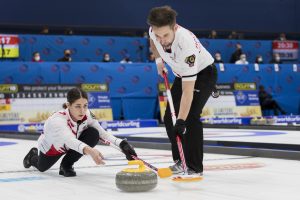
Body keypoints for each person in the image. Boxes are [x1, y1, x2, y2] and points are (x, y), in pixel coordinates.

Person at [147, 6, 217, 176]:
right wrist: (158, 61)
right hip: (181, 73)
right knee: (168, 118)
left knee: (189, 117)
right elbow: (152, 41)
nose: (161, 39)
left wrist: (181, 121)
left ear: (175, 27)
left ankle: (194, 167)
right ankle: (180, 160)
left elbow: (188, 92)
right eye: (158, 35)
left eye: (166, 35)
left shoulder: (186, 47)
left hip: (202, 74)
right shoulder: (154, 31)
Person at [23, 87, 137, 177]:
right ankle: (31, 157)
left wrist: (122, 144)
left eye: (85, 106)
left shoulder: (87, 114)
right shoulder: (57, 121)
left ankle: (66, 165)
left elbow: (103, 133)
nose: (82, 110)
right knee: (42, 167)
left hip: (74, 144)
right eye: (78, 106)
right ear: (68, 105)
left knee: (93, 133)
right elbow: (69, 140)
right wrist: (90, 151)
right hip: (53, 149)